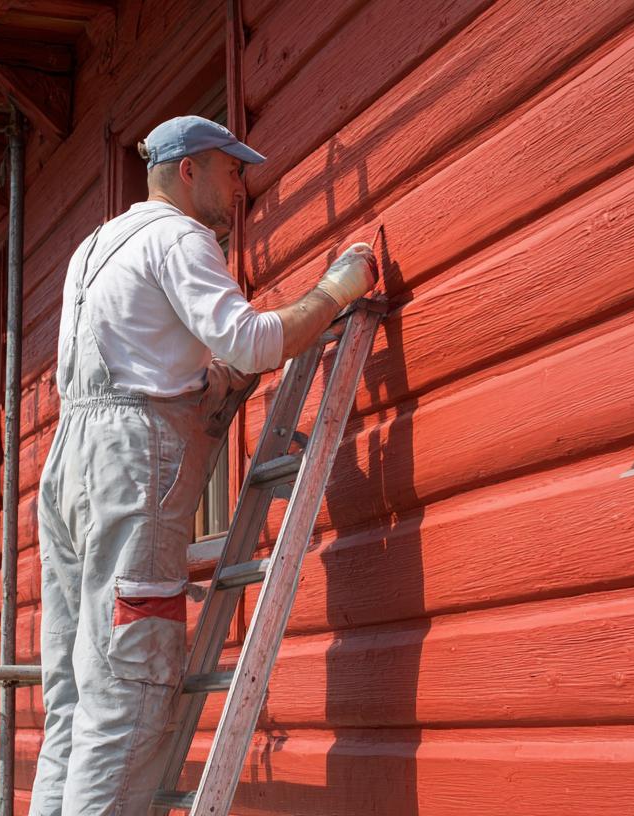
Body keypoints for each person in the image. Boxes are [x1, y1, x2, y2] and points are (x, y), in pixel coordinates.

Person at [30, 115, 376, 815]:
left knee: (72, 697)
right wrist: (334, 292)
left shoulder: (94, 247)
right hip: (130, 467)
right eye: (231, 169)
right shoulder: (178, 235)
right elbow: (248, 342)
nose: (241, 187)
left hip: (71, 462)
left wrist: (201, 385)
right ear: (187, 170)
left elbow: (135, 359)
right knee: (127, 693)